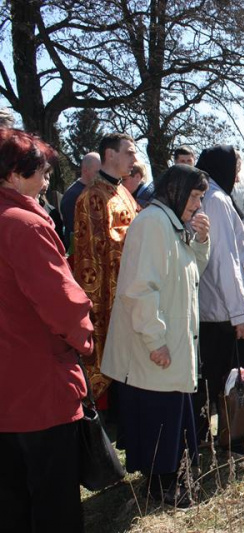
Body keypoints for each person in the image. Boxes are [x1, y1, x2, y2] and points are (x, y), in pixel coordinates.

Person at [0, 128, 93, 531]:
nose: (47, 180)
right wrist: (85, 337)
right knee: (53, 499)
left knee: (11, 499)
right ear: (16, 173)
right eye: (41, 171)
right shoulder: (24, 225)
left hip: (7, 390)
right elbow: (63, 306)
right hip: (39, 387)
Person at [102, 164, 210, 507]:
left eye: (201, 198)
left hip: (172, 342)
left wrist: (202, 240)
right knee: (158, 420)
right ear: (176, 191)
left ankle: (171, 485)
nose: (198, 205)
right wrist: (155, 340)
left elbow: (192, 271)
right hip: (155, 347)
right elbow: (140, 289)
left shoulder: (172, 224)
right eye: (195, 197)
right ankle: (161, 489)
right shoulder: (152, 224)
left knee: (170, 416)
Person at [194, 145, 244, 441]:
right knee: (233, 382)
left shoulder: (207, 195)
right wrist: (240, 314)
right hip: (223, 311)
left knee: (214, 381)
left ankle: (210, 435)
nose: (238, 174)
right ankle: (238, 437)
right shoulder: (216, 199)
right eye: (236, 167)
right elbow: (226, 261)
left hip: (215, 308)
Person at [73, 133, 139, 408]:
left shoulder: (123, 190)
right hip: (107, 290)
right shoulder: (92, 196)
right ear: (110, 155)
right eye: (129, 153)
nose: (135, 160)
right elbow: (94, 251)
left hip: (130, 285)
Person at [61, 152, 101, 248]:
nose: (100, 176)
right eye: (97, 172)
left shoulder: (96, 190)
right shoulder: (73, 195)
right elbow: (75, 230)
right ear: (85, 170)